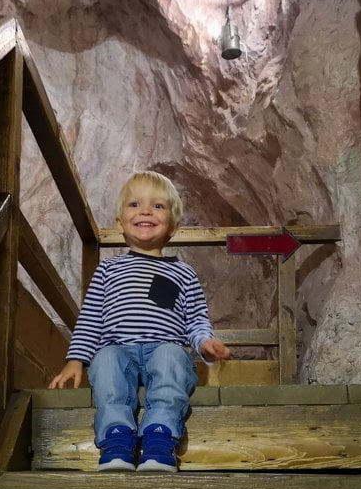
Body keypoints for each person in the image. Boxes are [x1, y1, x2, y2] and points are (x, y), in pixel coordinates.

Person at [49, 171, 231, 472]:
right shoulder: (108, 271)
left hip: (164, 348)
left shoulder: (183, 273)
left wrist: (204, 343)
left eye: (158, 206)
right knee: (105, 362)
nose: (145, 210)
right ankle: (117, 440)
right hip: (118, 349)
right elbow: (91, 318)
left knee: (173, 357)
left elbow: (196, 320)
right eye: (134, 204)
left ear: (173, 226)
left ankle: (159, 439)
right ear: (119, 223)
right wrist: (75, 360)